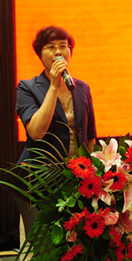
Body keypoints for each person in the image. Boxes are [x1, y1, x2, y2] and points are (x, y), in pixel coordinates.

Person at [16, 26, 97, 164]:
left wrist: (91, 168)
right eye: (51, 47)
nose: (58, 52)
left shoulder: (82, 88)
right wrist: (54, 87)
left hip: (78, 170)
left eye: (63, 46)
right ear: (40, 54)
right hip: (45, 171)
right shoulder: (27, 88)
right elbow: (36, 133)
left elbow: (89, 135)